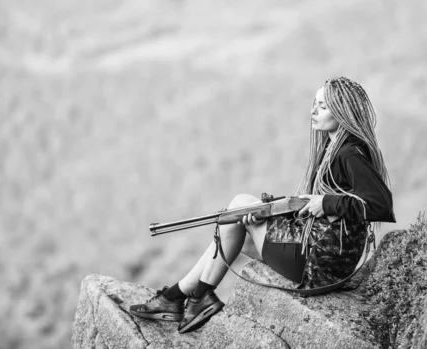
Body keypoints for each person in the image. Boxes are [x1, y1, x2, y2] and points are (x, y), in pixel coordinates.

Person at [129, 76, 395, 334]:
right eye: (314, 103)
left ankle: (195, 299)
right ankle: (180, 297)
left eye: (322, 106)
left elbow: (381, 205)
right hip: (326, 260)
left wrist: (325, 202)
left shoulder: (349, 153)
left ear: (343, 111)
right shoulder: (337, 147)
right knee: (233, 224)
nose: (313, 111)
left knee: (239, 204)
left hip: (319, 264)